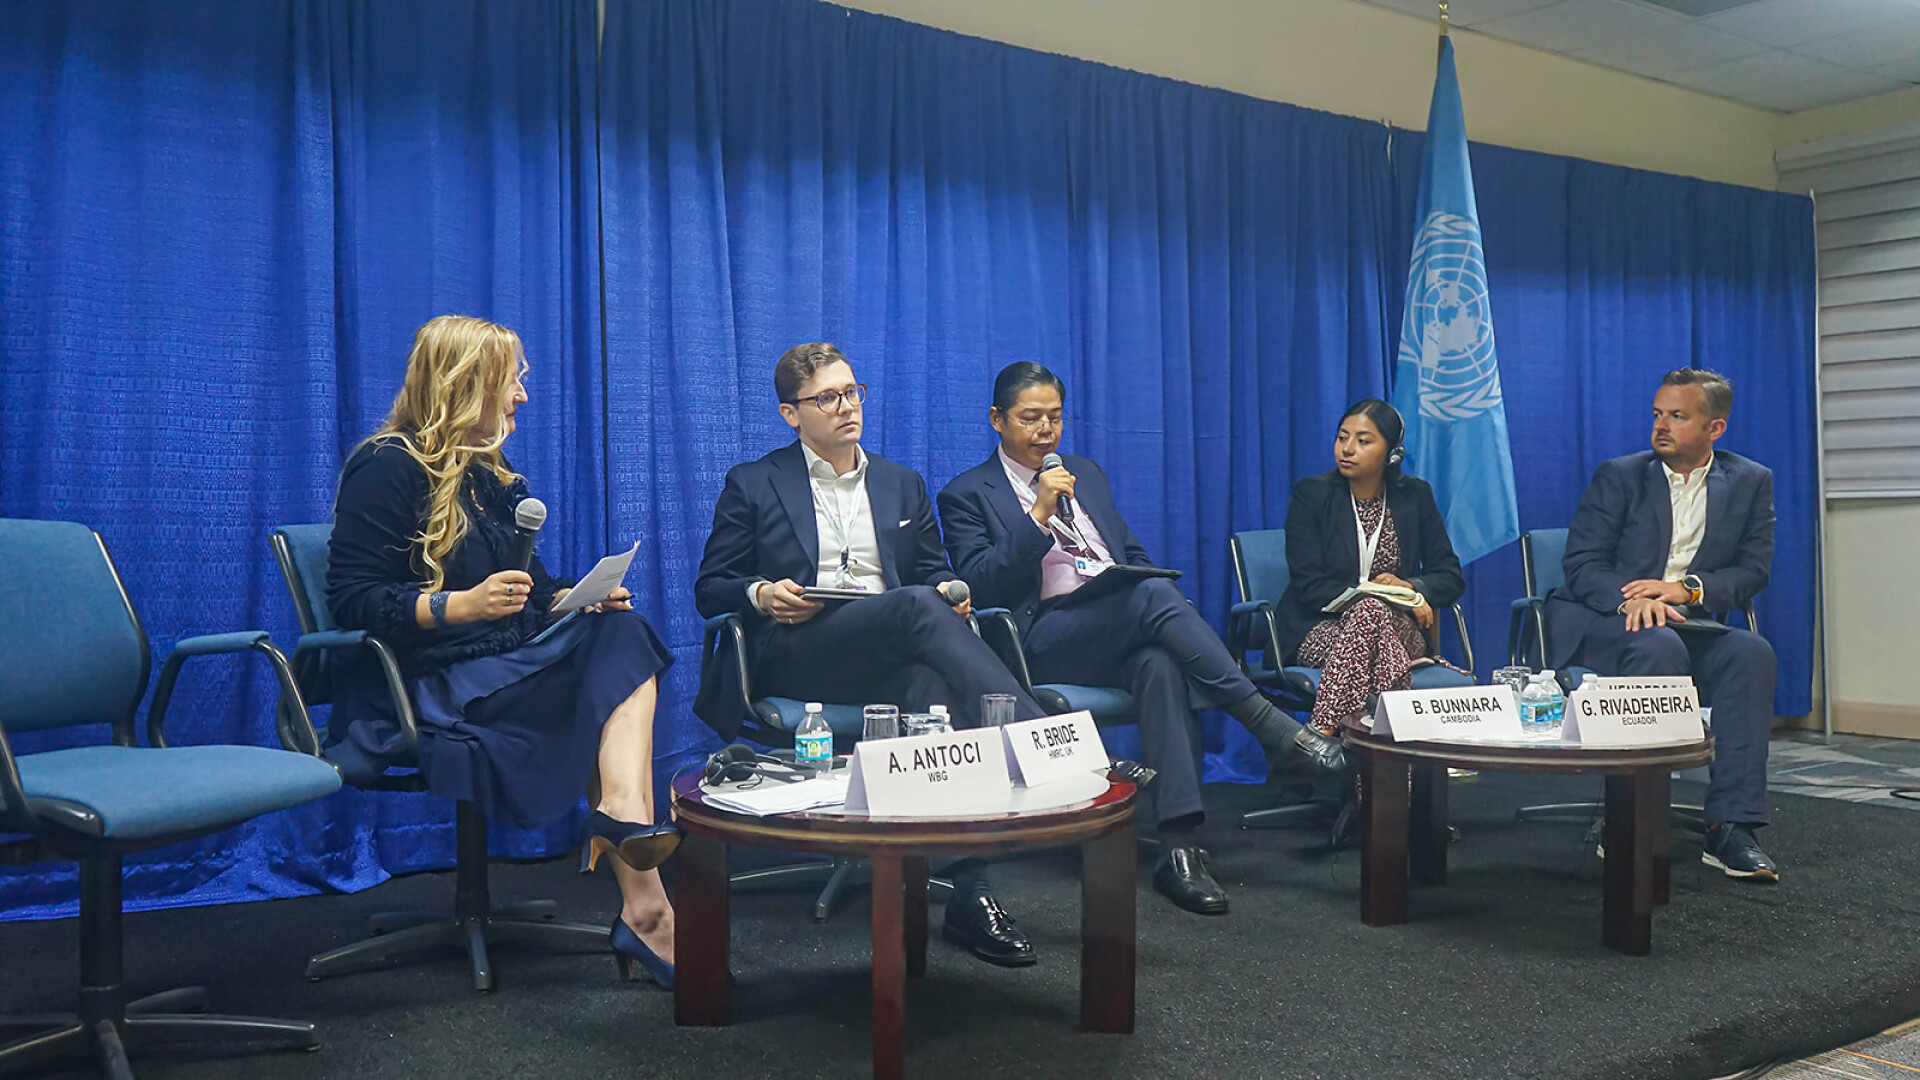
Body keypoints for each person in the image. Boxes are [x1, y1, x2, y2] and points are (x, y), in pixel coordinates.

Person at [327, 315, 680, 987]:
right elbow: (352, 600)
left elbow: (529, 587)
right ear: (464, 386)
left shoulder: (489, 473)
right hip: (430, 682)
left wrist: (572, 596)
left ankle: (628, 840)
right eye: (510, 380)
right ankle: (642, 888)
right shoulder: (387, 465)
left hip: (504, 662)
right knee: (610, 664)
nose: (522, 395)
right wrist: (460, 605)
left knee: (620, 630)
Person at [693, 342, 1051, 967]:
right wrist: (762, 592)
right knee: (913, 608)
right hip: (801, 651)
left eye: (852, 392)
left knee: (928, 691)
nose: (846, 407)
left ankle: (971, 893)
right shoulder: (754, 482)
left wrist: (952, 592)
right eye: (827, 398)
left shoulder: (900, 483)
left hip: (892, 646)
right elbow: (710, 588)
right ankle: (1040, 741)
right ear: (791, 414)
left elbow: (936, 574)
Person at [938, 362, 1322, 916]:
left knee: (1158, 661)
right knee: (1152, 599)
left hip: (1116, 622)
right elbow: (982, 584)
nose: (1045, 430)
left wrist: (1140, 587)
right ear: (997, 419)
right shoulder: (968, 493)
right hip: (1040, 637)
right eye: (1030, 418)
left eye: (1055, 417)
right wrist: (1039, 513)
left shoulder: (1085, 473)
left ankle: (1179, 846)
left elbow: (1130, 553)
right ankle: (1267, 724)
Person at [1543, 368, 1778, 882]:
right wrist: (1631, 599)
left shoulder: (1750, 481)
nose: (1661, 426)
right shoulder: (1620, 475)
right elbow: (1582, 563)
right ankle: (1630, 818)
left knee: (1750, 653)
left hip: (1685, 619)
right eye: (1657, 414)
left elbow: (1752, 570)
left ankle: (1731, 826)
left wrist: (1688, 589)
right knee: (1657, 645)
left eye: (1677, 416)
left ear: (1715, 429)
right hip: (1602, 620)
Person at [1274, 399, 1465, 763]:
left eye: (1363, 441)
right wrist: (1379, 594)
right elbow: (1309, 585)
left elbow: (1450, 575)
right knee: (1371, 616)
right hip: (1320, 628)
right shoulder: (1312, 495)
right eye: (1342, 437)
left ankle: (1318, 740)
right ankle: (1392, 771)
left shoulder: (1415, 496)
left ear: (1392, 453)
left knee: (1372, 615)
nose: (1347, 449)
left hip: (1399, 629)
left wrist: (1412, 588)